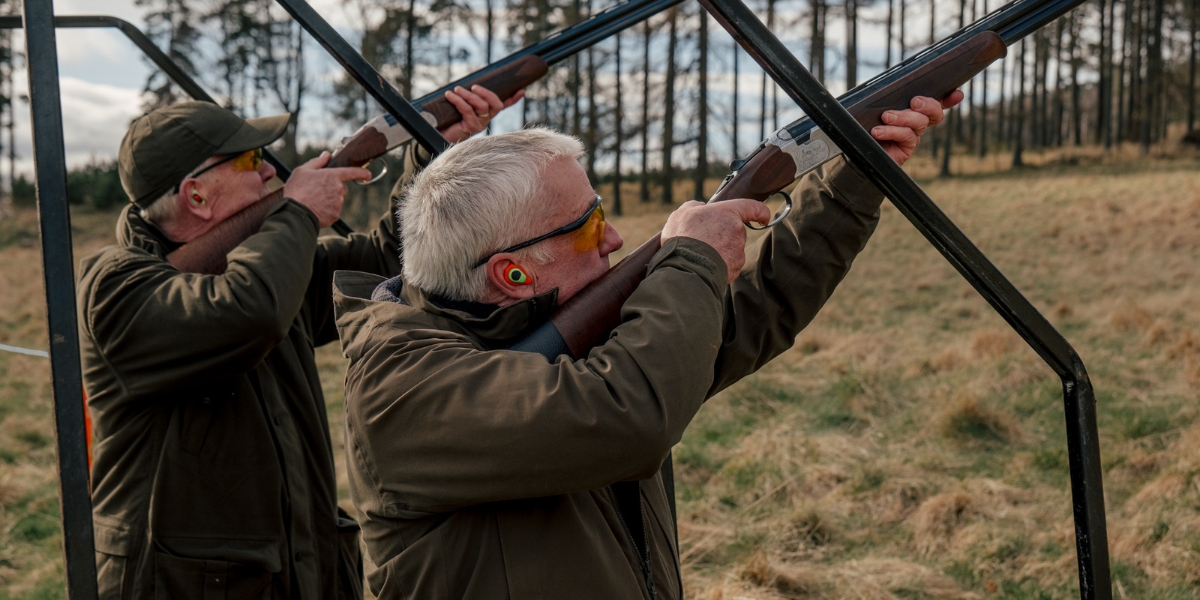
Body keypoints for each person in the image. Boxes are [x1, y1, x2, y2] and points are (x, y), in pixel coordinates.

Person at [331, 93, 961, 599]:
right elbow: (627, 411)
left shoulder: (552, 332)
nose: (616, 240)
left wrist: (851, 181)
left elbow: (744, 319)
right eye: (592, 225)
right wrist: (688, 259)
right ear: (512, 274)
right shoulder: (402, 389)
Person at [77, 85, 520, 600]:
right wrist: (299, 212)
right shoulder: (115, 285)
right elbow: (251, 313)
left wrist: (430, 152)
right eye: (249, 160)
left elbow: (391, 259)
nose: (270, 170)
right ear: (196, 195)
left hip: (300, 571)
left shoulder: (265, 264)